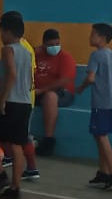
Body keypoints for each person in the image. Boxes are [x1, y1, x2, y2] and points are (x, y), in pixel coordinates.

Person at [0, 11, 34, 199]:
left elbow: (11, 74)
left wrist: (1, 100)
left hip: (11, 100)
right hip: (25, 102)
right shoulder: (27, 52)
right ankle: (15, 187)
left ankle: (1, 173)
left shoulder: (8, 49)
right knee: (17, 145)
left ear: (6, 31)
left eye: (1, 32)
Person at [78, 22, 112, 190]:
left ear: (102, 37)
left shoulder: (96, 55)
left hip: (101, 103)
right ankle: (103, 173)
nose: (90, 37)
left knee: (102, 137)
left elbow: (91, 78)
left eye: (93, 34)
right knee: (98, 135)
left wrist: (81, 88)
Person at [33, 28, 78, 157]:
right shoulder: (37, 55)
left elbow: (64, 81)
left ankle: (48, 140)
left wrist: (42, 90)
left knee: (50, 97)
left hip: (61, 93)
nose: (54, 47)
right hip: (37, 91)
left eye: (57, 44)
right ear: (44, 44)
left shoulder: (65, 57)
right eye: (51, 45)